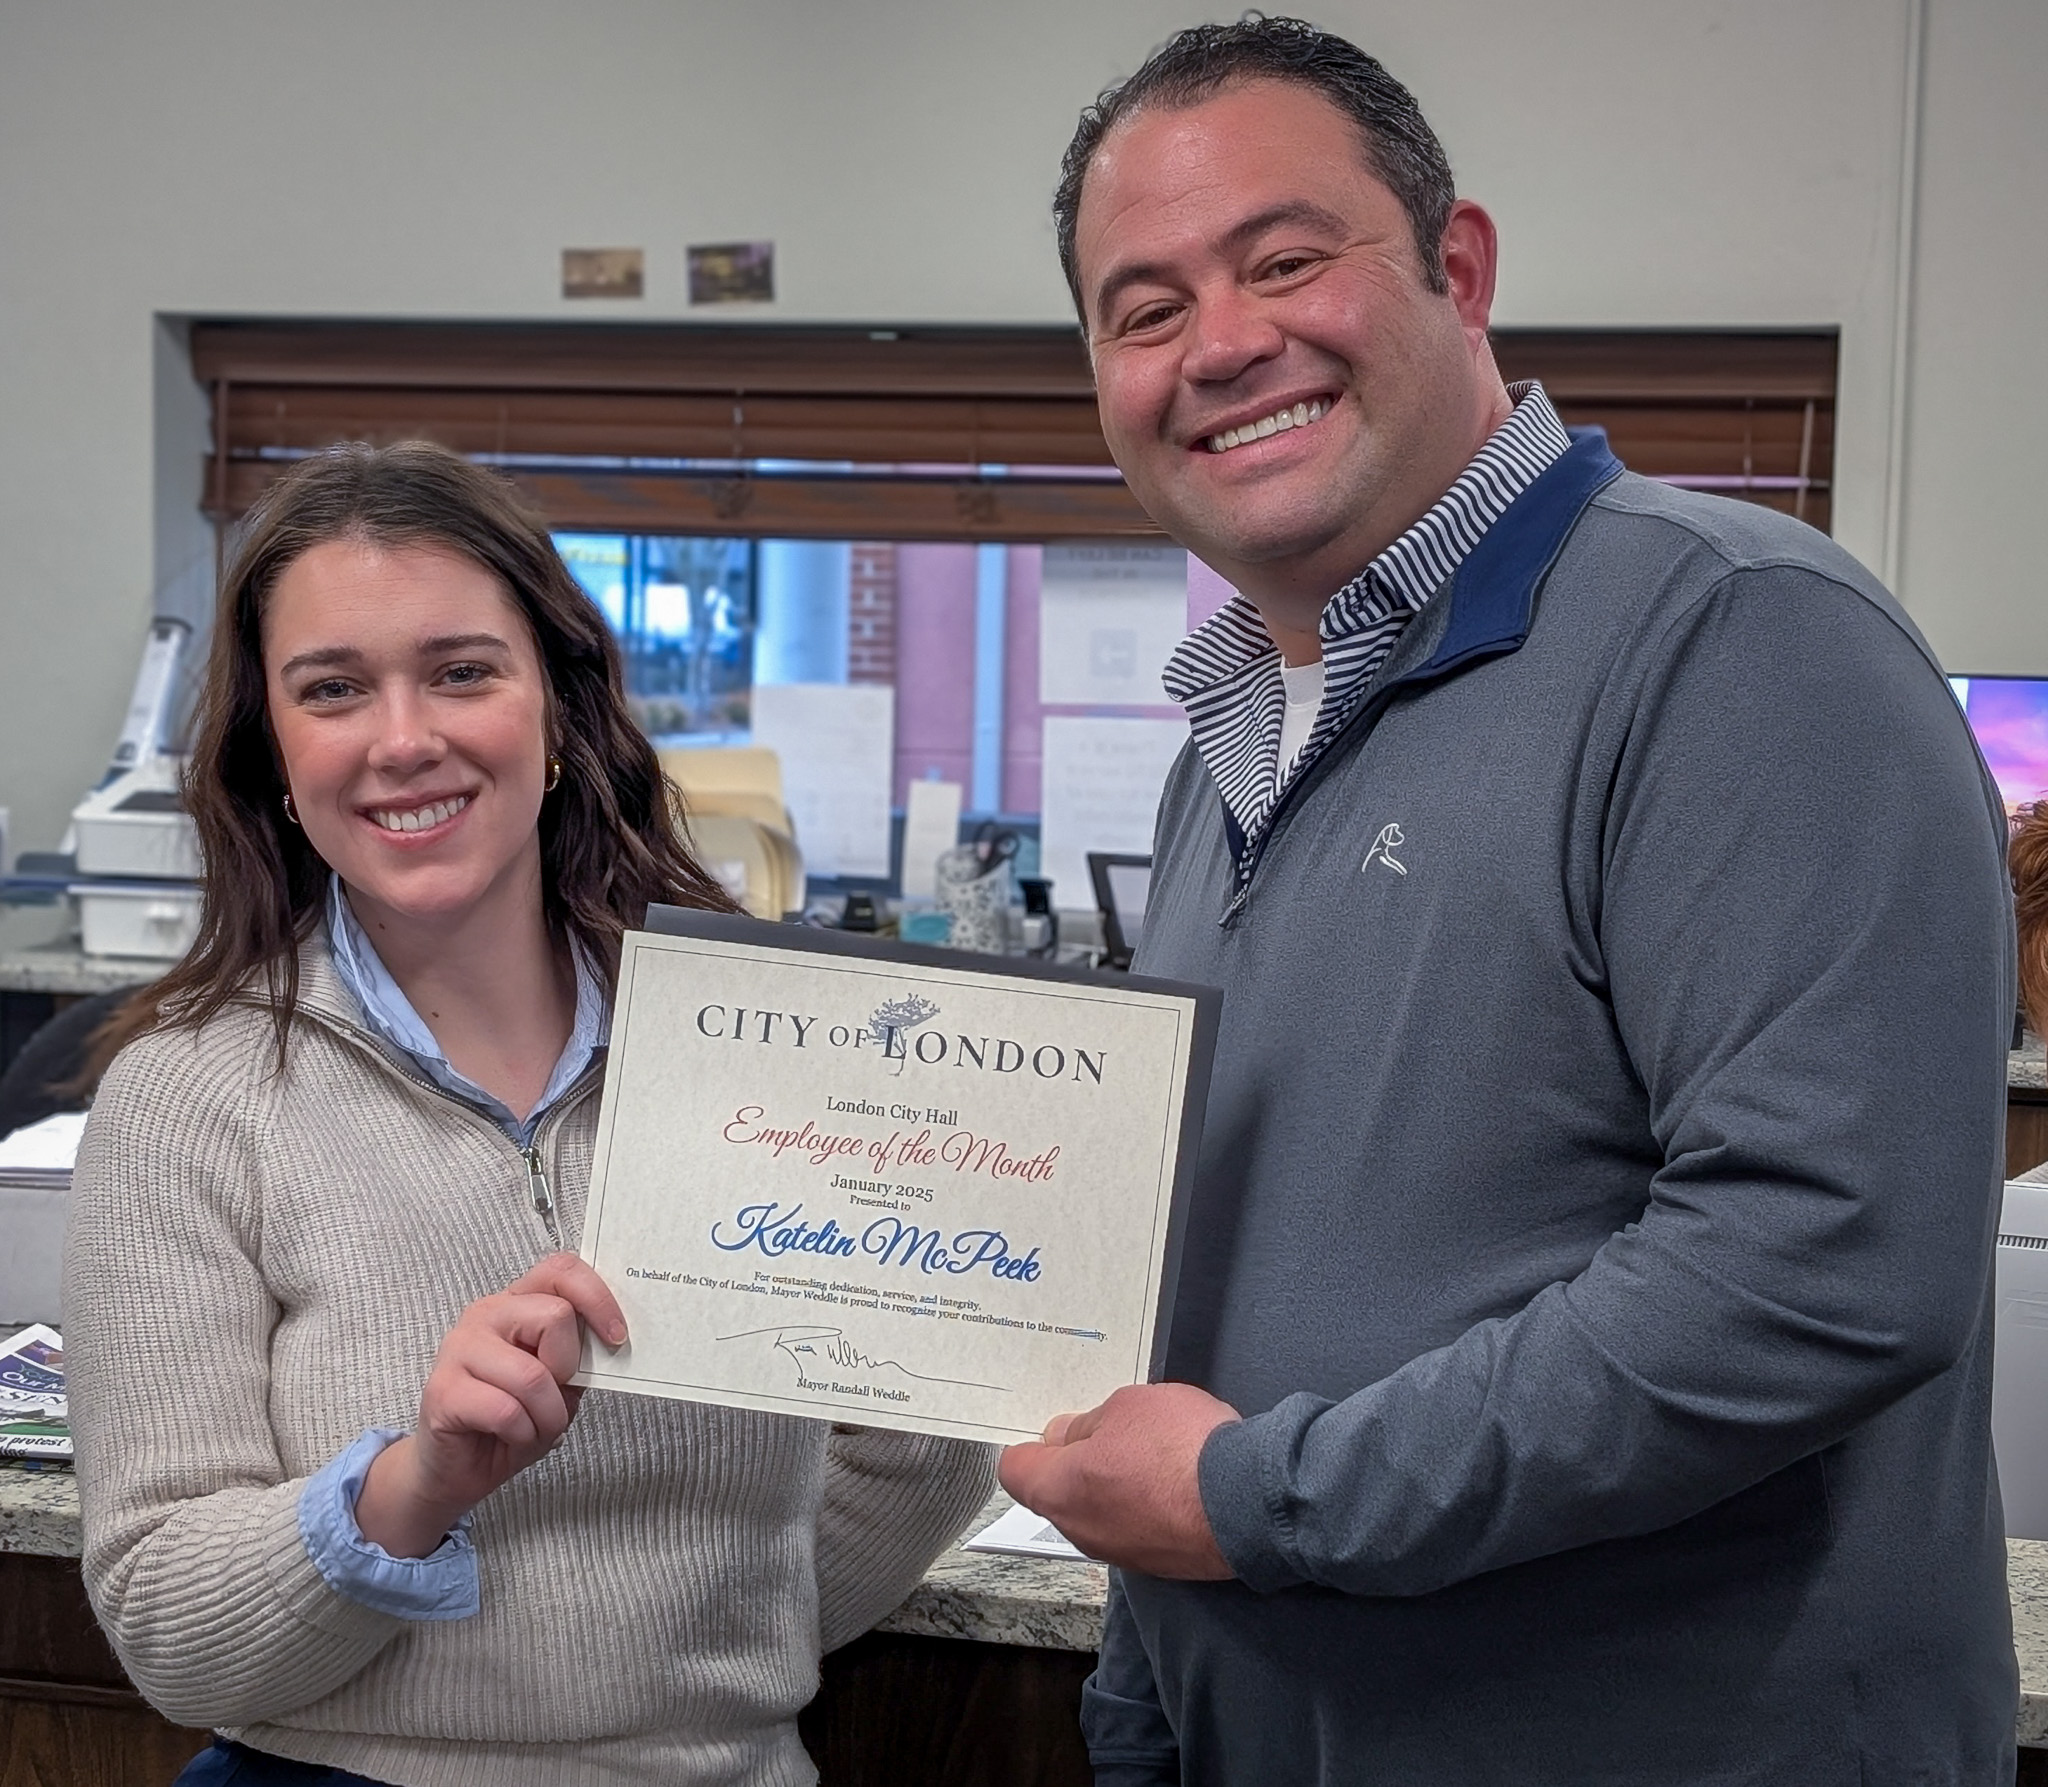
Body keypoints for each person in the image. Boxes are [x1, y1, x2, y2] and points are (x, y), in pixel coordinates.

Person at [998, 19, 2016, 1784]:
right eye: (1143, 309)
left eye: (1286, 260)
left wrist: (1254, 1503)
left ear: (1457, 269)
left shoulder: (1740, 642)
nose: (1223, 345)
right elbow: (1202, 1305)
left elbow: (1814, 1273)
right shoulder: (1218, 754)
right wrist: (1148, 1711)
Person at [64, 441, 994, 1787]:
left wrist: (944, 1366)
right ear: (275, 751)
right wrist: (419, 1485)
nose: (403, 738)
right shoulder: (187, 1099)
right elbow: (173, 1640)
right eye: (333, 690)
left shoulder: (768, 1060)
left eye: (462, 671)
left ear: (557, 714)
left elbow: (877, 1498)